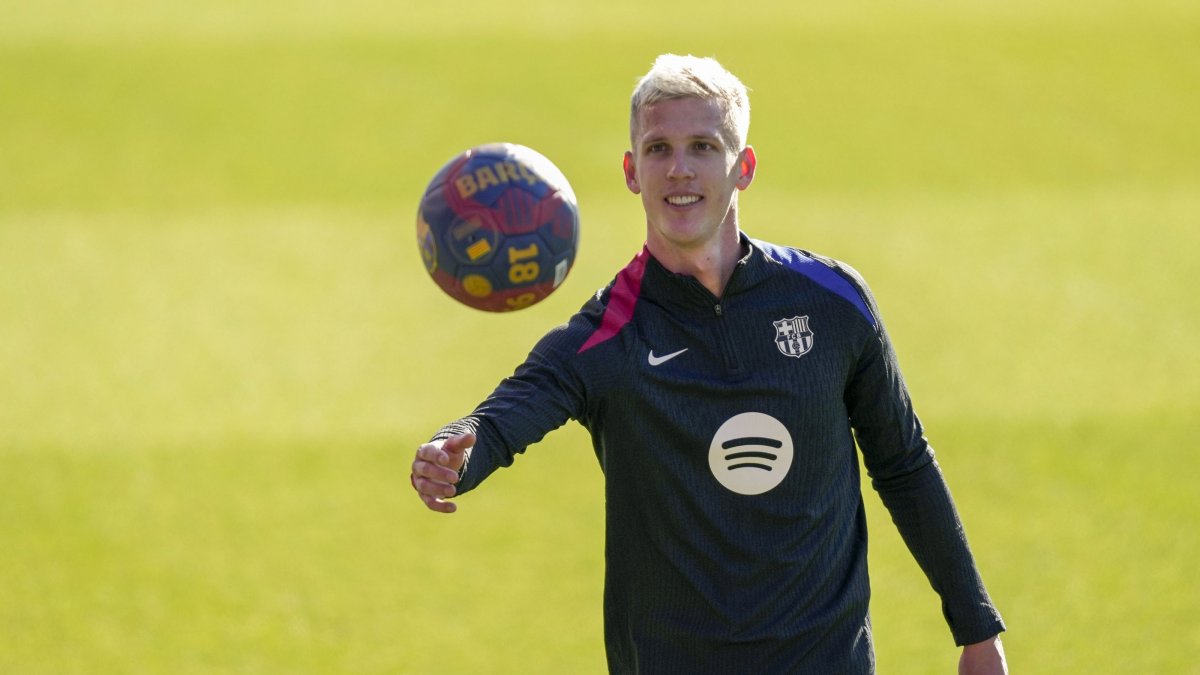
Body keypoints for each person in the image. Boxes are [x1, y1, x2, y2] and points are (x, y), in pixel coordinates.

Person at [411, 53, 1007, 674]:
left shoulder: (832, 302)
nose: (679, 169)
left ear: (743, 166)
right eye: (658, 148)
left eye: (703, 146)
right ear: (631, 171)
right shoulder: (607, 334)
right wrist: (452, 452)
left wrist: (977, 629)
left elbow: (903, 461)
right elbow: (508, 414)